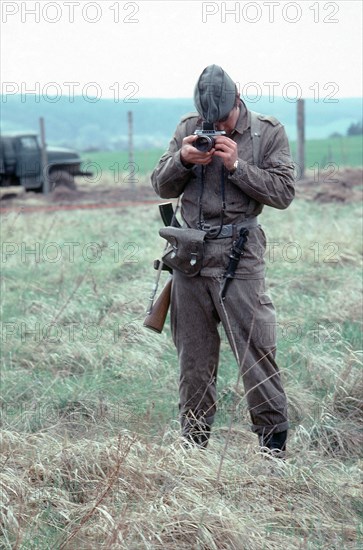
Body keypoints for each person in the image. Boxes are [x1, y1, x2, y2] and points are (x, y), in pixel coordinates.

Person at [151, 64, 295, 457]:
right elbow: (159, 185)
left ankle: (273, 449)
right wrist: (181, 160)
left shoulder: (268, 132)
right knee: (193, 359)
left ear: (238, 100)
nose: (216, 128)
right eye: (209, 121)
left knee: (256, 352)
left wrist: (237, 166)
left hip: (240, 257)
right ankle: (194, 448)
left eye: (224, 121)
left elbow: (283, 193)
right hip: (190, 258)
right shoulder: (188, 127)